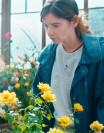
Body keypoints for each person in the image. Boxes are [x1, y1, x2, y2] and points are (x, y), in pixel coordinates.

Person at [33, 0, 104, 132]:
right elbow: (39, 103)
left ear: (74, 21)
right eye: (46, 26)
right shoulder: (46, 57)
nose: (49, 32)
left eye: (55, 25)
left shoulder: (99, 54)